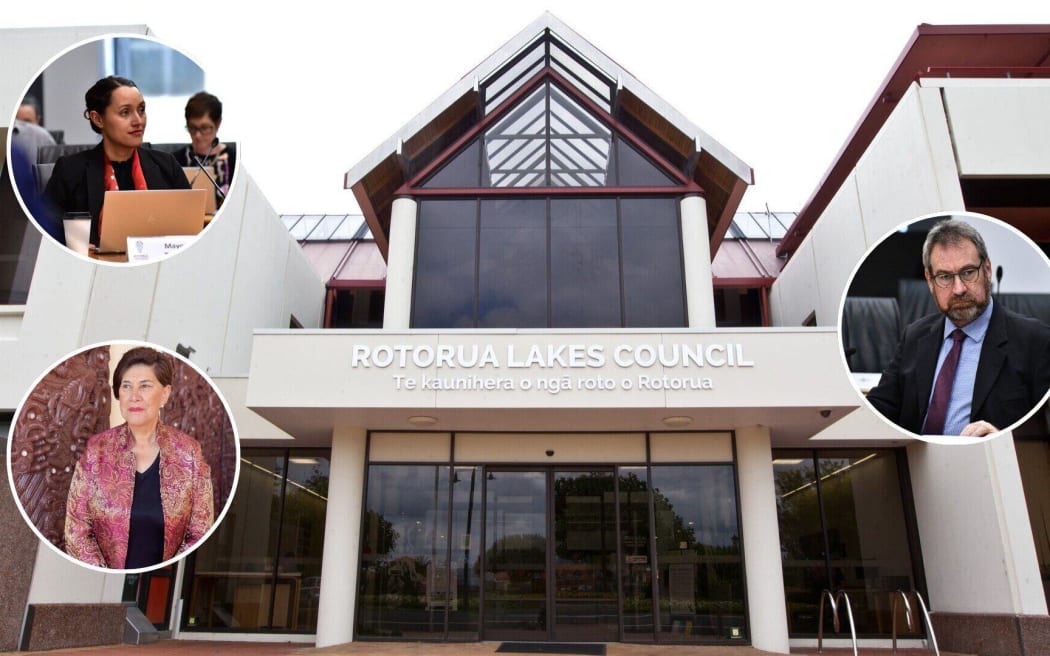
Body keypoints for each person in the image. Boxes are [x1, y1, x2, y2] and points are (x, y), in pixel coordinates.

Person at [866, 219, 1050, 437]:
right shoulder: (915, 336)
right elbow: (878, 409)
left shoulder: (1036, 340)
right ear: (929, 280)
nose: (959, 288)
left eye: (968, 272)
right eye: (944, 277)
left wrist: (1002, 438)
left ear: (987, 270)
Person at [65, 347, 214, 569]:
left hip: (159, 584)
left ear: (164, 394)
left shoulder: (188, 453)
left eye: (145, 386)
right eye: (126, 386)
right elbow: (76, 529)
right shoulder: (96, 451)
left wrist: (165, 574)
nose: (134, 396)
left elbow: (200, 529)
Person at [43, 76, 190, 247]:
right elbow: (44, 230)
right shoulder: (70, 170)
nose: (138, 121)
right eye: (125, 112)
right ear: (98, 119)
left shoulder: (166, 164)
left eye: (141, 110)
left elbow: (189, 225)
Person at [173, 91, 235, 207]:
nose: (198, 135)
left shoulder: (235, 159)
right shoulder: (174, 160)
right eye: (192, 128)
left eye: (205, 128)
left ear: (218, 124)